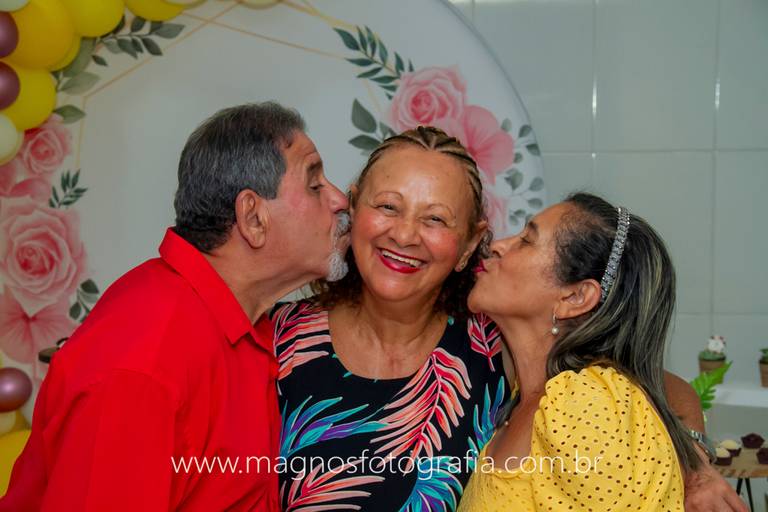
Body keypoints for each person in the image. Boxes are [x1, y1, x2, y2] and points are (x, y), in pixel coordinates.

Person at [271, 128, 740, 511]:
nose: (405, 234)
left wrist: (693, 465)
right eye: (388, 207)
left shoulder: (492, 343)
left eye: (435, 219)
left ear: (469, 245)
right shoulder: (282, 336)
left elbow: (654, 387)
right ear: (354, 209)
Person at [0, 102, 350, 511]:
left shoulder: (238, 316)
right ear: (253, 218)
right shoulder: (143, 368)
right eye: (314, 184)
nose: (339, 199)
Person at [458, 193, 747, 511]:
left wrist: (693, 460)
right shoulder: (526, 396)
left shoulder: (584, 403)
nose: (498, 245)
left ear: (575, 297)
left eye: (526, 240)